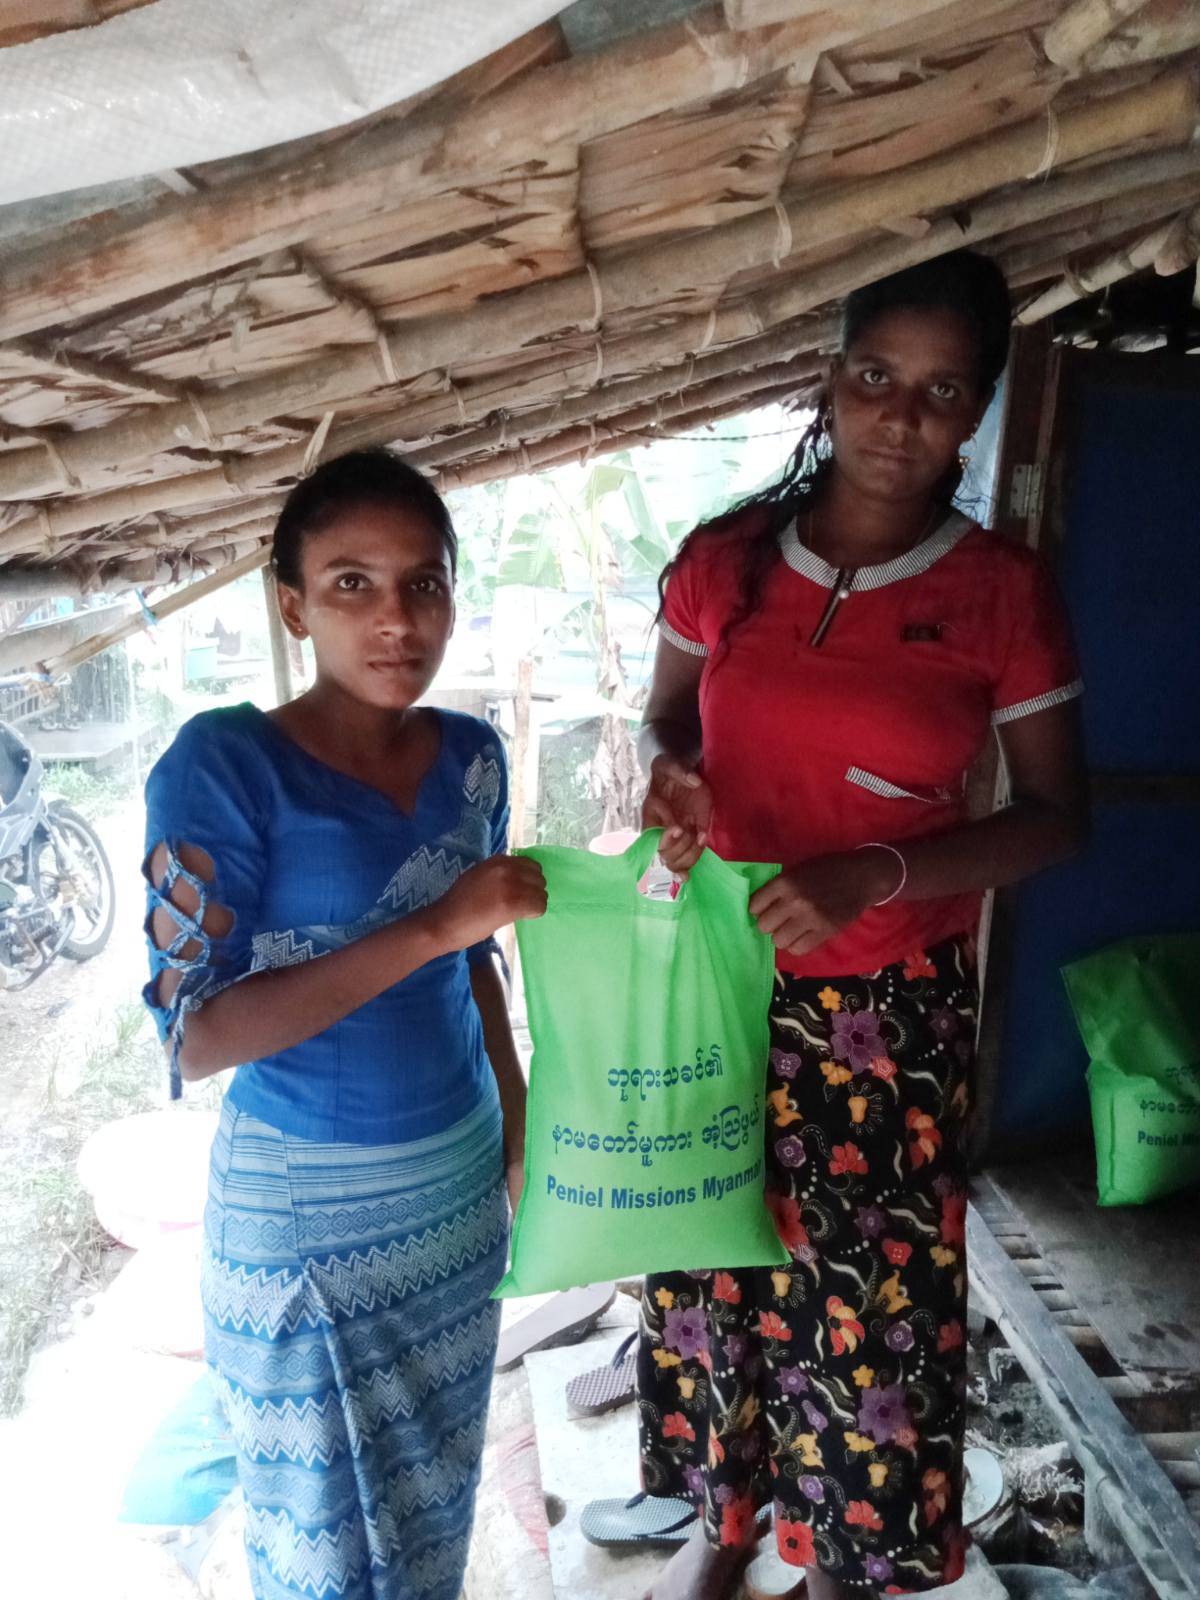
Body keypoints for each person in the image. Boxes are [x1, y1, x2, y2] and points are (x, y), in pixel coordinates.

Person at [636, 252, 1088, 1600]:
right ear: (829, 382)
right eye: (877, 376)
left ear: (979, 410)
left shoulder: (1002, 592)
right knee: (715, 1268)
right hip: (718, 984)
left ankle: (842, 1560)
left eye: (943, 391)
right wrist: (670, 776)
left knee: (862, 1307)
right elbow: (663, 718)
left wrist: (875, 872)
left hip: (886, 1015)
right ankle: (725, 1530)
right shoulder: (726, 562)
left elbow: (1057, 818)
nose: (901, 416)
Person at [141, 449, 546, 1600]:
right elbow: (199, 1034)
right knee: (320, 1541)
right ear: (293, 604)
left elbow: (477, 968)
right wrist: (432, 924)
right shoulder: (225, 765)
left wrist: (520, 1133)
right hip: (307, 1226)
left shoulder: (472, 758)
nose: (396, 619)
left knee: (429, 1509)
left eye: (425, 583)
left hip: (454, 1199)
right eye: (352, 584)